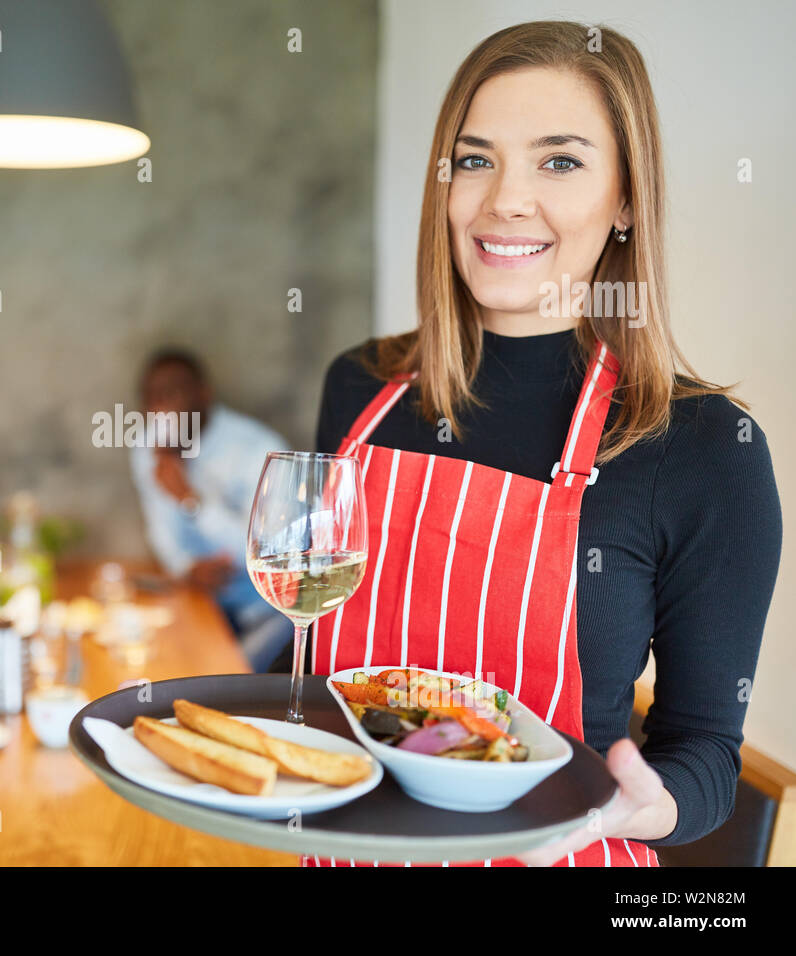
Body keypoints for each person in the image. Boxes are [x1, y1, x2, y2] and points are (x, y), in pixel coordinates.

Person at [309, 21, 780, 867]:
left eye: (559, 161)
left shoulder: (705, 448)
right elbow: (315, 649)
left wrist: (640, 811)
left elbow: (706, 749)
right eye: (476, 158)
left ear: (628, 198)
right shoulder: (361, 390)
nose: (504, 201)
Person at [130, 348, 294, 671]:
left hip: (267, 610)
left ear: (204, 394)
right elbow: (162, 535)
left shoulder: (260, 450)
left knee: (219, 680)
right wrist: (186, 567)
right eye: (152, 397)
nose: (163, 407)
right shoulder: (149, 445)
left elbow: (272, 554)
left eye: (174, 392)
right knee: (146, 665)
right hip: (200, 601)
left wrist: (190, 500)